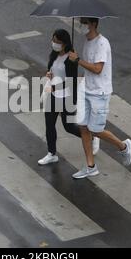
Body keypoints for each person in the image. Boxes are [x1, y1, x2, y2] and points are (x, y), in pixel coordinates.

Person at [68, 17, 131, 179]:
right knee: (83, 127)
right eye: (80, 22)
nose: (81, 25)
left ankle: (123, 147)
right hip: (86, 89)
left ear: (93, 24)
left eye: (84, 22)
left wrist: (78, 60)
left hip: (100, 93)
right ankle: (90, 166)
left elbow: (97, 68)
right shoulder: (87, 42)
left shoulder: (102, 43)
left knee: (95, 130)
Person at [38, 29, 100, 165]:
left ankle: (92, 138)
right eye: (53, 40)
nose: (54, 43)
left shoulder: (71, 58)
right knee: (49, 124)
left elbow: (71, 81)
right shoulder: (54, 55)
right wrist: (49, 74)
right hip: (53, 96)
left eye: (57, 42)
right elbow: (53, 70)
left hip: (67, 97)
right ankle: (51, 153)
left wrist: (54, 87)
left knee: (69, 127)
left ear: (65, 43)